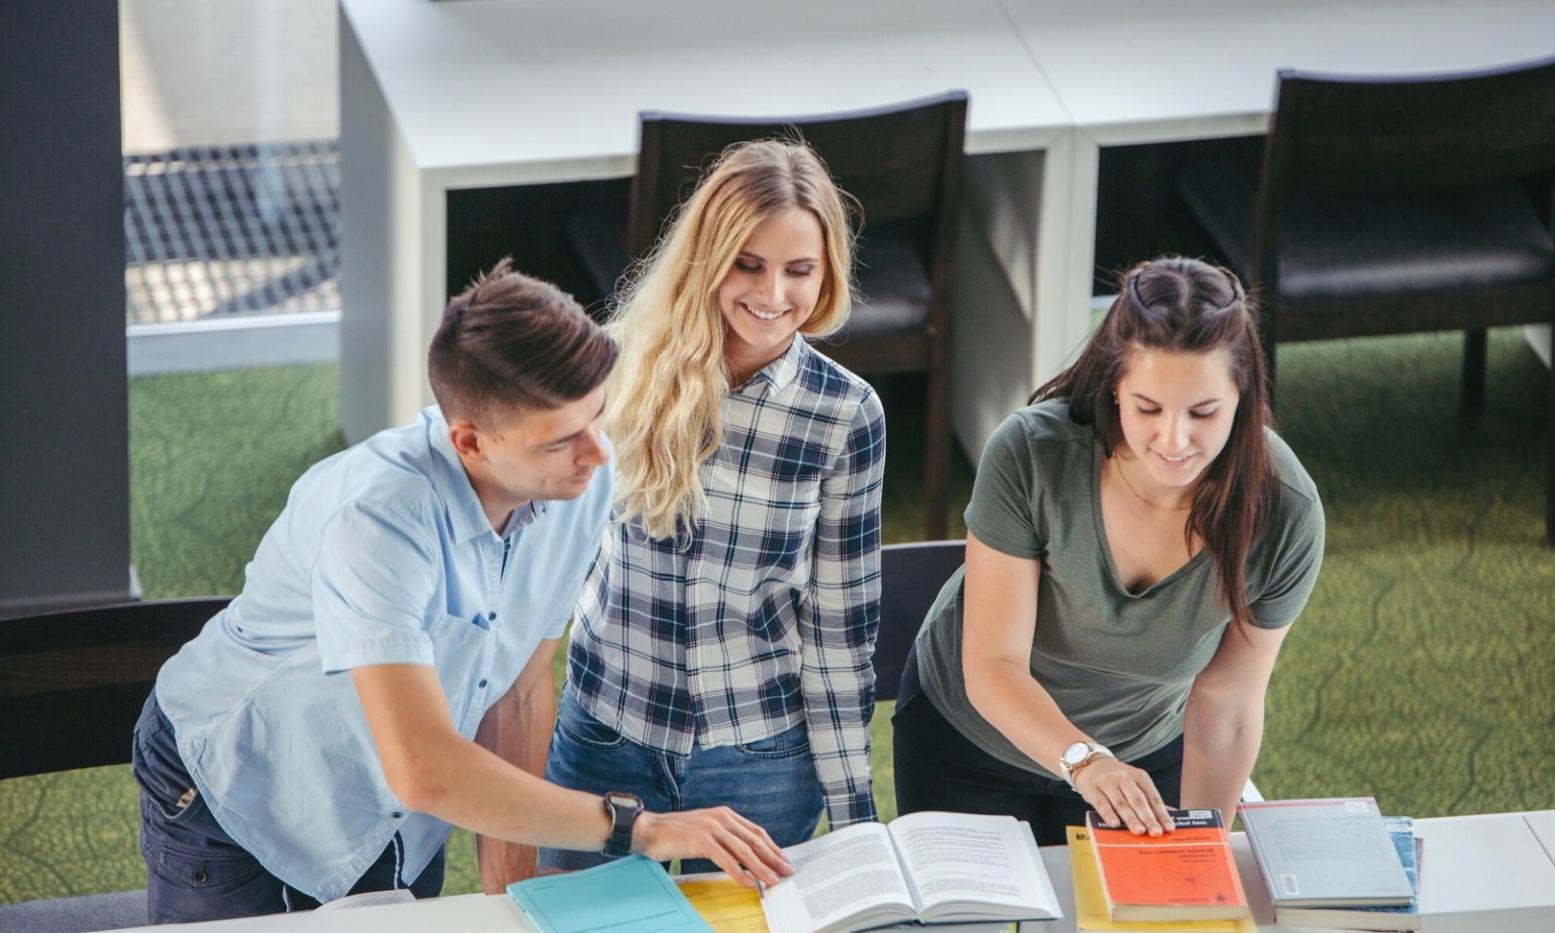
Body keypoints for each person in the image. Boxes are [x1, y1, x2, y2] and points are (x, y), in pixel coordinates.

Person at [132, 261, 789, 924]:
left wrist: (514, 896)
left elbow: (518, 688)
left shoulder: (581, 475)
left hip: (402, 807)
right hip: (236, 790)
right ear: (469, 442)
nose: (597, 454)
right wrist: (640, 829)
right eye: (562, 439)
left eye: (598, 415)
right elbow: (425, 769)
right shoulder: (378, 519)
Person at [893, 257, 1325, 846]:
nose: (1174, 440)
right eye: (1148, 408)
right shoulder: (1030, 453)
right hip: (969, 741)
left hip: (1142, 758)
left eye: (1203, 412)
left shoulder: (1285, 511)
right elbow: (994, 665)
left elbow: (1226, 706)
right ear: (1115, 386)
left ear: (1242, 396)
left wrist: (1201, 855)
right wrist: (1086, 761)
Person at [540, 140, 886, 873]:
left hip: (759, 758)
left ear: (827, 272)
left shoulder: (846, 414)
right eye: (747, 264)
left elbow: (839, 628)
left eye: (799, 270)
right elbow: (538, 548)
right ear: (705, 259)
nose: (773, 293)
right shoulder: (610, 367)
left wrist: (857, 819)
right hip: (605, 734)